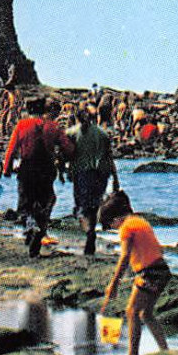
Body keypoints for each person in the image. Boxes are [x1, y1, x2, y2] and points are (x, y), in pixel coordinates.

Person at [97, 190, 171, 355]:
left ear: (115, 219)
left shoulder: (126, 228)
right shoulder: (139, 221)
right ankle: (165, 350)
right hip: (161, 270)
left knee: (131, 311)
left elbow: (124, 257)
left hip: (150, 273)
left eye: (110, 225)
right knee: (145, 313)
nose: (113, 229)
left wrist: (113, 284)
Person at [2, 95, 72, 257]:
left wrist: (6, 168)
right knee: (43, 201)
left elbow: (11, 149)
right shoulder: (53, 126)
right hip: (46, 168)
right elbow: (67, 147)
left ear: (29, 110)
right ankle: (38, 231)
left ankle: (30, 228)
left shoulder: (22, 125)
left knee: (25, 202)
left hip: (27, 166)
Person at [67, 104, 119, 255]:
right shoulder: (103, 134)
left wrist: (62, 170)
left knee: (81, 209)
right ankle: (92, 231)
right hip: (101, 174)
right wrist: (116, 179)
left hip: (82, 173)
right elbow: (109, 157)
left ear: (76, 118)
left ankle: (89, 232)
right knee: (94, 207)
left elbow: (64, 152)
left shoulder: (72, 132)